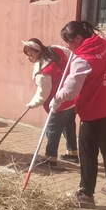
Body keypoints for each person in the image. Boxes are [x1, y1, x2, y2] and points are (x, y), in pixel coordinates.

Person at [49, 21, 106, 207]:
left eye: (68, 42)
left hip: (95, 112)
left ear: (78, 38)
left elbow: (71, 90)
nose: (67, 45)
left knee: (88, 153)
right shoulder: (105, 44)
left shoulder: (83, 59)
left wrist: (57, 99)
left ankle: (86, 194)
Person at [22, 38, 78, 168]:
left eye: (30, 54)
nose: (29, 58)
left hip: (58, 103)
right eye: (27, 55)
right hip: (71, 96)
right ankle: (72, 153)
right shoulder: (56, 50)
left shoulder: (43, 70)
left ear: (38, 51)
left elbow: (43, 94)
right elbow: (72, 57)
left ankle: (50, 158)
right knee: (68, 125)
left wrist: (31, 104)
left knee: (52, 130)